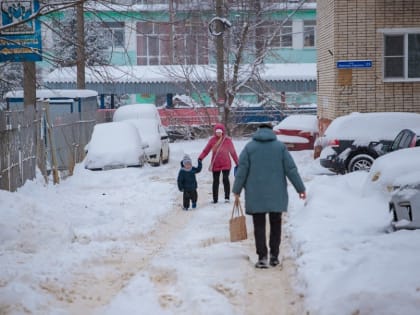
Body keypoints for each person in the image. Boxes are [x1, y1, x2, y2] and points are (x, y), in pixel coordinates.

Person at [232, 123, 306, 269]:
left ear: (258, 131)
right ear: (272, 132)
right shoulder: (280, 148)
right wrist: (300, 189)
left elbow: (242, 171)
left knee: (259, 225)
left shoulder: (249, 148)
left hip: (256, 194)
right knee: (276, 224)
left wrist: (236, 190)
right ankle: (274, 257)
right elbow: (291, 169)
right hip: (276, 194)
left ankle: (262, 258)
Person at [198, 123, 239, 203]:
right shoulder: (212, 140)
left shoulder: (227, 140)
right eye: (217, 131)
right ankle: (215, 199)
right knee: (215, 181)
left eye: (220, 131)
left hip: (226, 163)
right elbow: (206, 150)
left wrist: (237, 162)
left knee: (225, 179)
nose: (218, 133)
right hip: (215, 164)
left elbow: (233, 152)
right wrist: (200, 158)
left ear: (223, 131)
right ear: (215, 132)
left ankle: (227, 197)